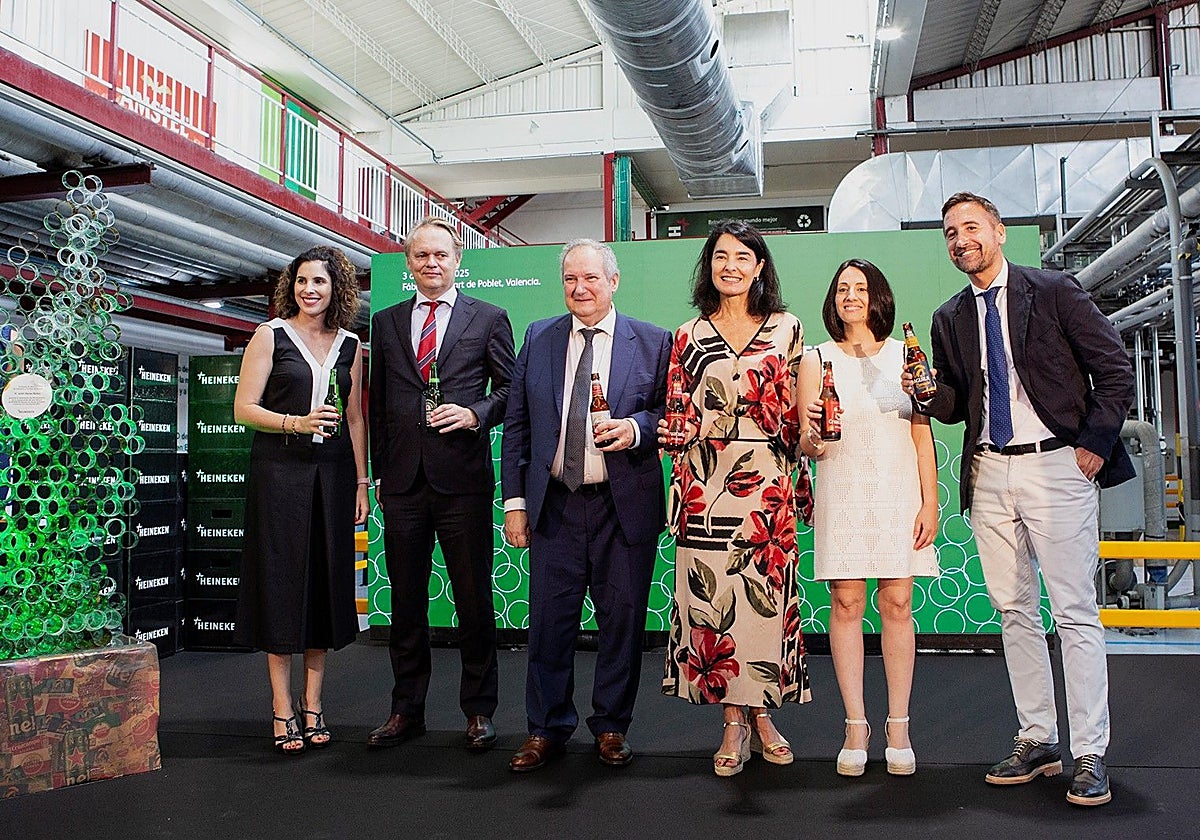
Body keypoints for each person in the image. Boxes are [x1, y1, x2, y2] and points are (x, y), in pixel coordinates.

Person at [904, 192, 1134, 806]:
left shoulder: (1054, 290)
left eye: (971, 228)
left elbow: (1114, 369)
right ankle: (1039, 738)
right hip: (989, 472)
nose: (960, 240)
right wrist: (927, 394)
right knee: (1013, 612)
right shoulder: (948, 316)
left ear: (999, 232)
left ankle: (1089, 752)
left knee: (1075, 611)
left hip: (1059, 466)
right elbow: (958, 404)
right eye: (950, 233)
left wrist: (1093, 444)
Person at [501, 239, 671, 772]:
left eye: (591, 278)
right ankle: (545, 727)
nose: (580, 288)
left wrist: (638, 427)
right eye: (571, 278)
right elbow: (518, 425)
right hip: (554, 505)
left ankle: (612, 726)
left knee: (621, 624)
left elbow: (669, 411)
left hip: (623, 507)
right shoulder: (540, 337)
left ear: (614, 281)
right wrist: (514, 502)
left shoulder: (653, 341)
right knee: (549, 624)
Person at [659, 220, 812, 777]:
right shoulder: (687, 335)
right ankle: (732, 721)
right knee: (715, 609)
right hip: (705, 483)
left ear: (760, 267)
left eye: (743, 256)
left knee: (763, 604)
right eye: (721, 256)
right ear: (710, 266)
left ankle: (764, 715)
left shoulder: (788, 328)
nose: (732, 266)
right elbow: (676, 416)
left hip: (768, 484)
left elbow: (800, 415)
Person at [367, 216, 515, 752]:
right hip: (403, 483)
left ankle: (479, 711)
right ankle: (406, 710)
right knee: (406, 602)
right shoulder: (384, 322)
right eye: (420, 256)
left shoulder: (490, 317)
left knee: (474, 599)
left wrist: (475, 414)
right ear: (408, 263)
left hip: (463, 481)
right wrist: (380, 474)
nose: (431, 263)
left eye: (441, 255)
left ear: (458, 262)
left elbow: (511, 391)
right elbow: (378, 404)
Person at [798, 258, 938, 777]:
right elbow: (806, 444)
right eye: (842, 288)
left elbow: (922, 435)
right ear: (833, 300)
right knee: (847, 600)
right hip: (842, 488)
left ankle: (897, 725)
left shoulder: (908, 357)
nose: (850, 296)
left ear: (876, 295)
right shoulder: (815, 359)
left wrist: (931, 502)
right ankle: (855, 724)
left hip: (899, 491)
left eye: (860, 287)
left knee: (899, 602)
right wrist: (811, 433)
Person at [232, 245, 369, 754]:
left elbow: (355, 419)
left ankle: (314, 706)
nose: (310, 290)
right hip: (279, 476)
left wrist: (361, 483)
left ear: (338, 290)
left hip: (333, 478)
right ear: (291, 286)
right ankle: (281, 708)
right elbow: (243, 408)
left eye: (320, 282)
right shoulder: (269, 335)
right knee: (282, 588)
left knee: (324, 588)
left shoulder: (353, 344)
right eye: (303, 281)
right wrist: (296, 422)